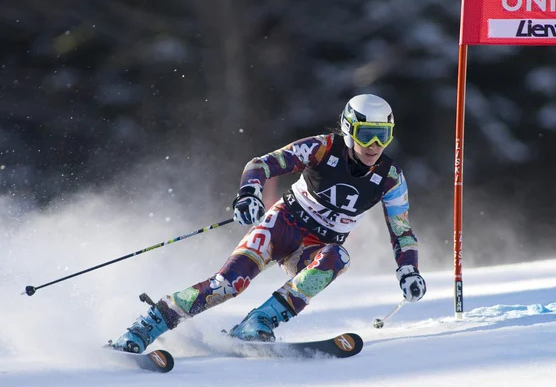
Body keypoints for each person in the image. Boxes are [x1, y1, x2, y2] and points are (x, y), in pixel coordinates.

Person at [110, 94, 426, 353]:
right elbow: (262, 164)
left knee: (337, 258)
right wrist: (249, 195)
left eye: (382, 136)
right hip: (282, 226)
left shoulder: (390, 177)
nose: (374, 145)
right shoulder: (323, 148)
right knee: (228, 284)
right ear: (348, 129)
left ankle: (258, 323)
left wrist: (409, 269)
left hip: (316, 246)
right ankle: (150, 323)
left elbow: (402, 231)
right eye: (365, 134)